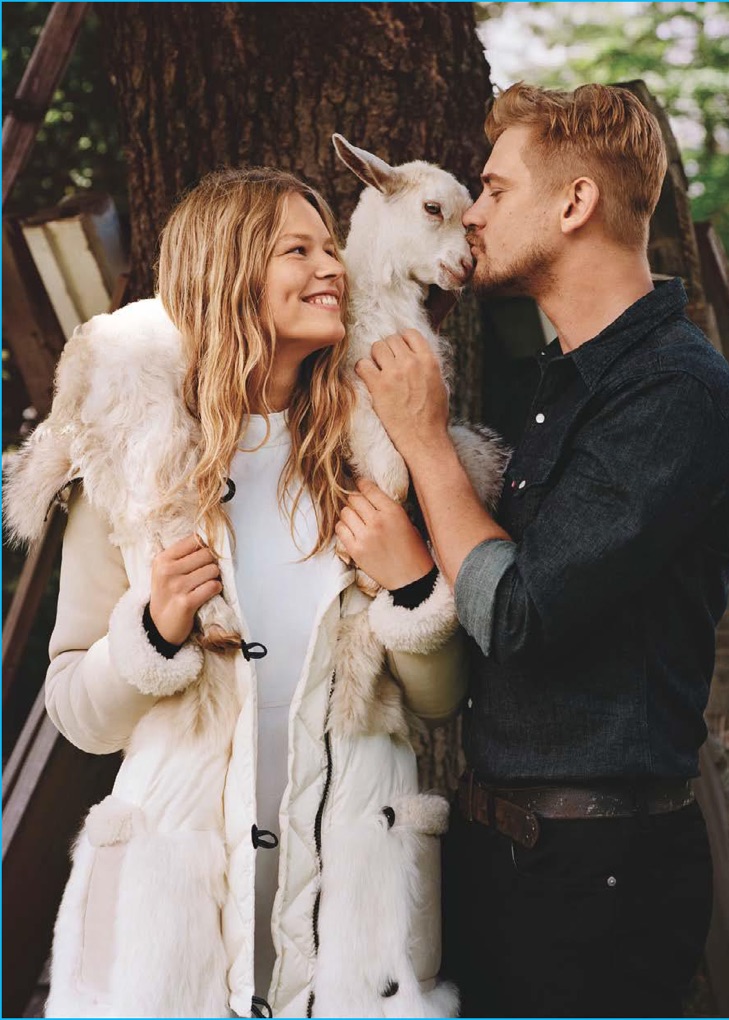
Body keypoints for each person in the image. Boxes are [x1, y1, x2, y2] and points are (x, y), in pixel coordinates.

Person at [5, 167, 466, 1018]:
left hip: (352, 932)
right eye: (299, 249)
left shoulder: (376, 459)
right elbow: (73, 707)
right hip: (165, 939)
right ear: (227, 271)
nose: (332, 265)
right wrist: (155, 626)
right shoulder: (136, 464)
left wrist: (410, 585)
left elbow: (441, 702)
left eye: (332, 246)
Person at [346, 83, 729, 1017]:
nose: (476, 215)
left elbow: (518, 614)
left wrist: (422, 441)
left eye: (493, 190)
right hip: (505, 857)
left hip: (597, 879)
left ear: (573, 205)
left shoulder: (675, 396)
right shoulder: (563, 383)